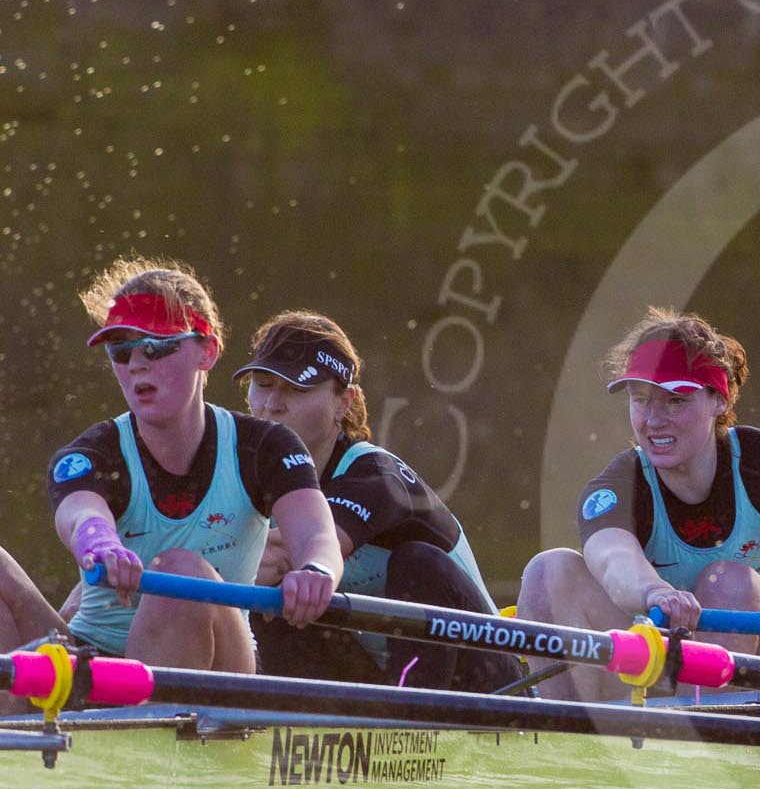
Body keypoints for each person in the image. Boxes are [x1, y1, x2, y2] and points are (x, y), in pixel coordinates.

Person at [518, 309, 760, 700]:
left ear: (718, 398)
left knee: (726, 582)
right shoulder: (618, 485)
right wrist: (654, 591)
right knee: (548, 571)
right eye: (641, 400)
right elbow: (613, 559)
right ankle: (562, 733)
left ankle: (698, 738)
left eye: (675, 401)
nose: (653, 420)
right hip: (662, 671)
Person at [46, 259, 340, 670]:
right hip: (96, 663)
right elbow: (80, 515)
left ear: (208, 351)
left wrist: (315, 569)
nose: (136, 364)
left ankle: (152, 722)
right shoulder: (94, 454)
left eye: (155, 346)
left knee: (178, 571)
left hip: (221, 665)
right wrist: (99, 541)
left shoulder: (264, 447)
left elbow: (316, 534)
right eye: (122, 350)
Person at [235, 311, 520, 692]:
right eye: (263, 384)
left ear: (343, 402)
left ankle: (409, 717)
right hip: (376, 675)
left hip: (487, 683)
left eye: (296, 390)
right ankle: (280, 721)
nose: (271, 404)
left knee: (416, 562)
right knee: (276, 605)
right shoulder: (250, 478)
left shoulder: (375, 475)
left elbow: (297, 546)